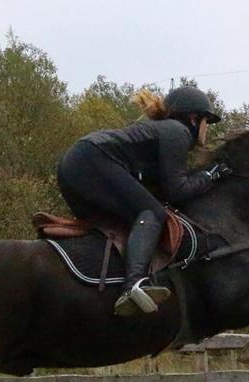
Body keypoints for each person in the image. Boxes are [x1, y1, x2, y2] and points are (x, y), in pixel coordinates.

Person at [56, 86, 232, 315]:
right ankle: (134, 284)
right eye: (207, 121)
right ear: (193, 118)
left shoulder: (163, 131)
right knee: (153, 213)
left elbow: (164, 190)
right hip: (92, 159)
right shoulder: (177, 131)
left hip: (73, 167)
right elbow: (177, 191)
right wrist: (210, 176)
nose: (207, 128)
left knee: (126, 223)